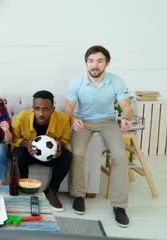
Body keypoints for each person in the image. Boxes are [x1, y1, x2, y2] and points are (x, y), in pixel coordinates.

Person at [65, 45, 133, 227]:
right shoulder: (76, 82)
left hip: (108, 121)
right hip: (83, 121)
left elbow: (126, 107)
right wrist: (73, 119)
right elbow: (69, 108)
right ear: (86, 63)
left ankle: (119, 206)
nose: (95, 65)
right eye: (91, 61)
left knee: (120, 157)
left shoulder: (116, 81)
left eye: (100, 61)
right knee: (78, 154)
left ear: (107, 63)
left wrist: (126, 119)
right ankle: (79, 195)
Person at [11, 90, 72, 212]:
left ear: (52, 109)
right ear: (33, 108)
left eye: (45, 109)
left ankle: (51, 191)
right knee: (17, 154)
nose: (41, 113)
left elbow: (65, 139)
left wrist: (59, 145)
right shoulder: (21, 117)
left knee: (67, 156)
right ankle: (25, 188)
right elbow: (12, 138)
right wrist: (25, 143)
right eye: (37, 108)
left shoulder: (63, 119)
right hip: (29, 153)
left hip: (50, 156)